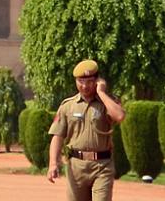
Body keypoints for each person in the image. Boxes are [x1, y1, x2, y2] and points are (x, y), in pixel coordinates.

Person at [48, 60, 124, 200]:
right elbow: (57, 136)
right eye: (80, 81)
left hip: (102, 166)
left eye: (89, 81)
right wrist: (53, 163)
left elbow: (119, 116)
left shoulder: (107, 102)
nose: (84, 86)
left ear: (97, 81)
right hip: (76, 166)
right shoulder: (67, 106)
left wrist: (101, 93)